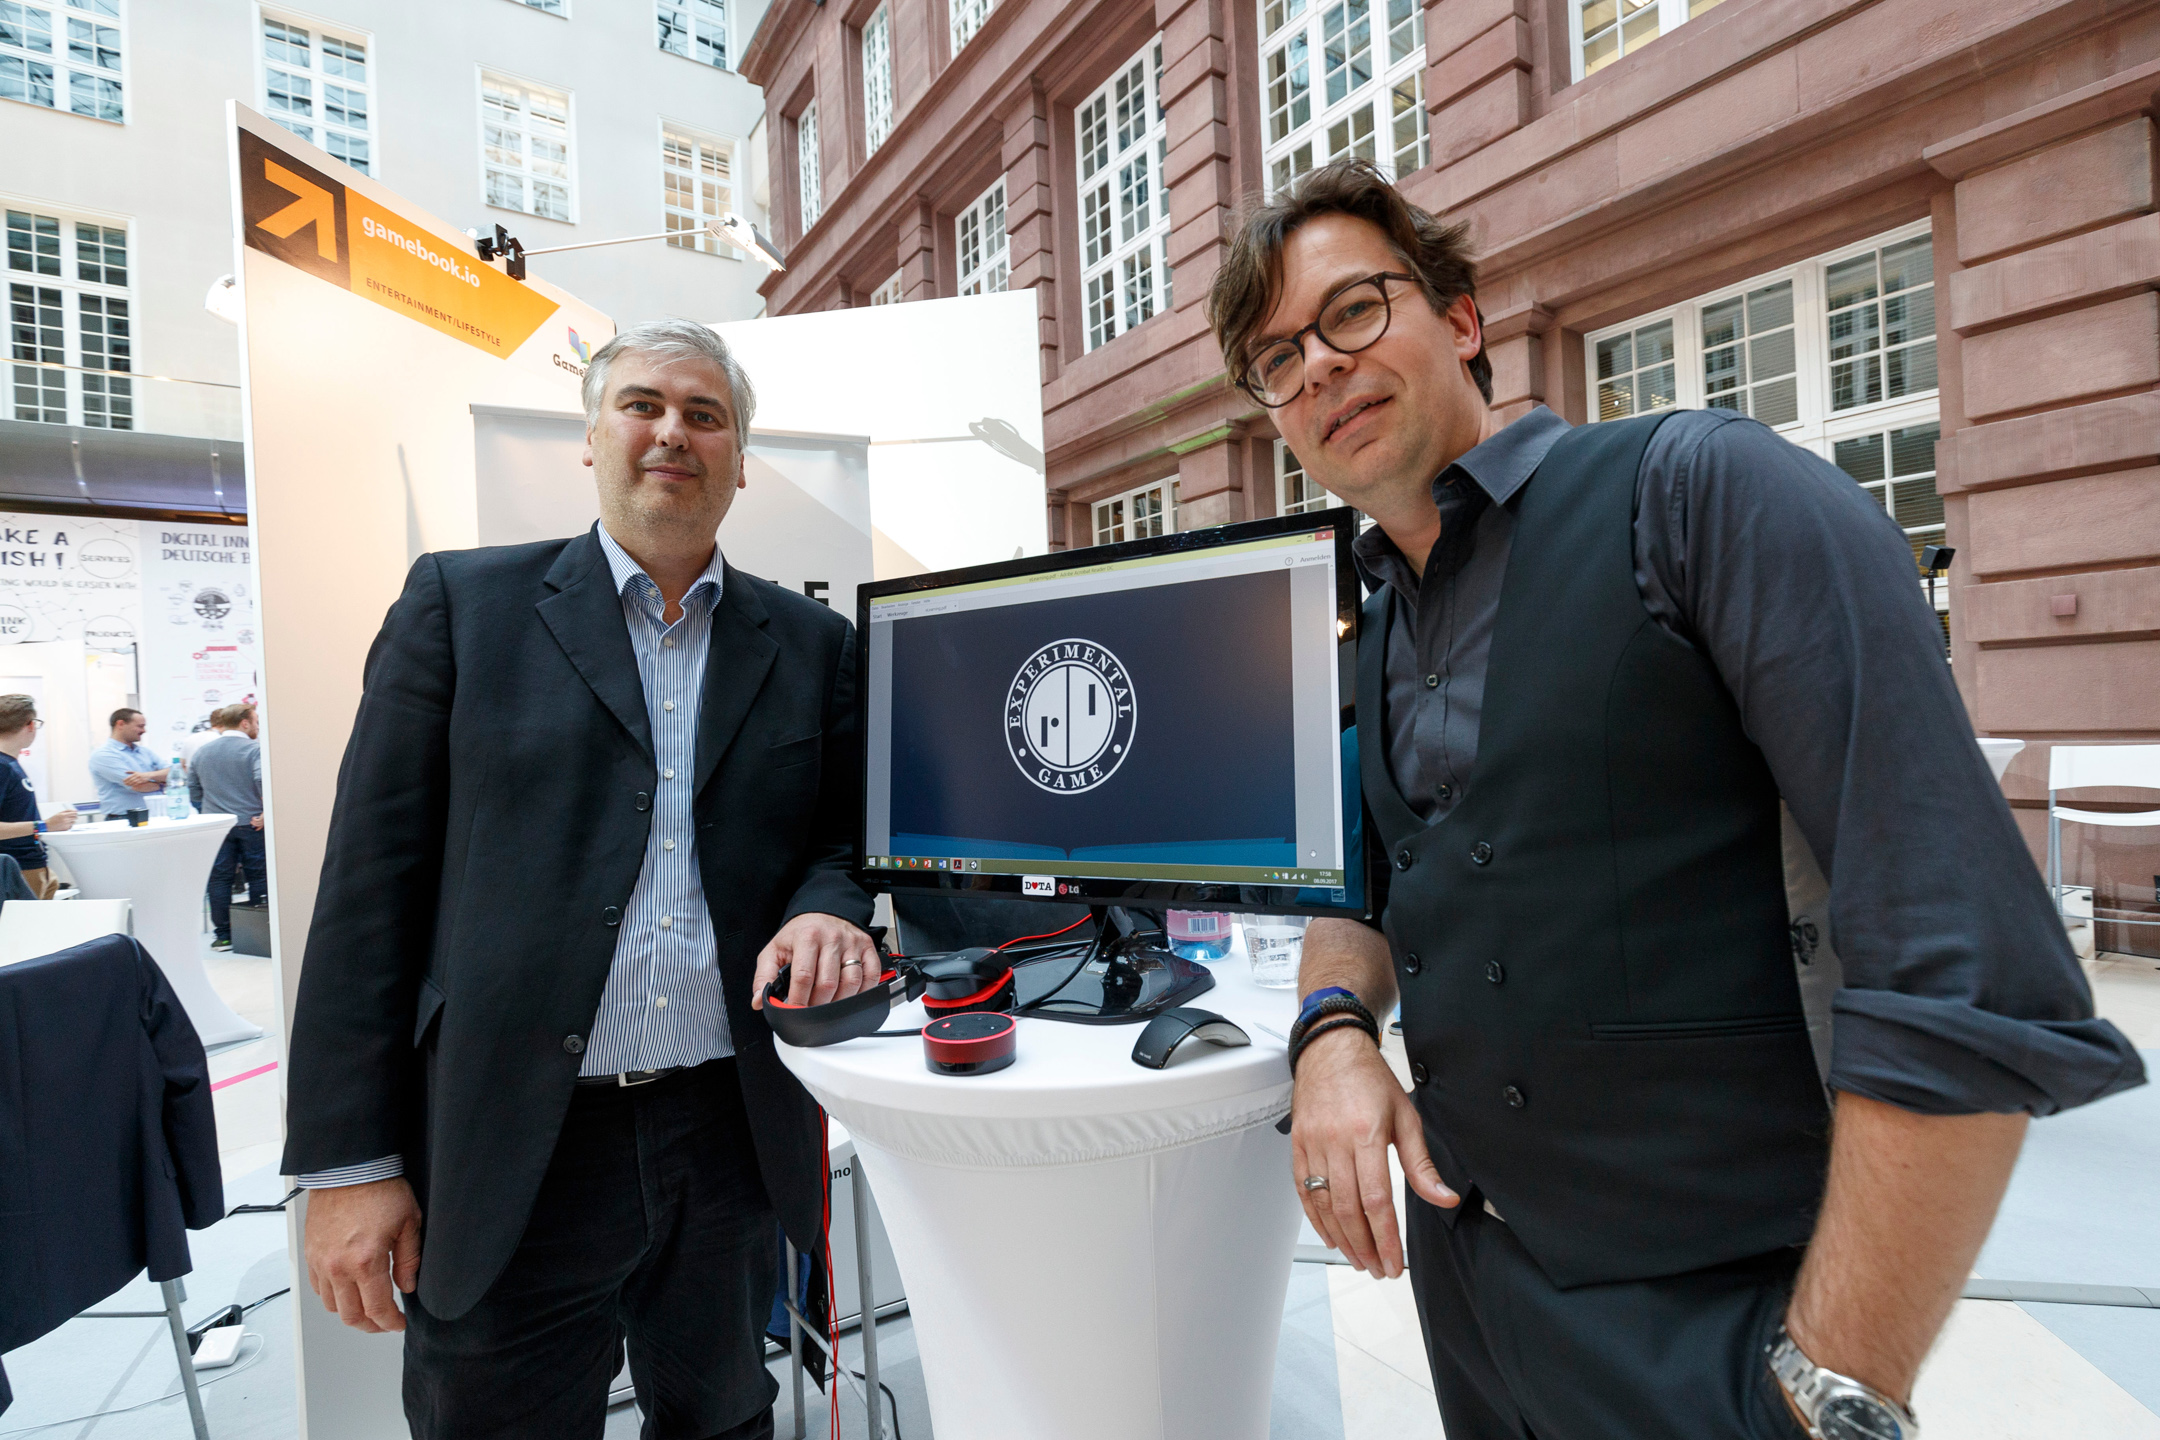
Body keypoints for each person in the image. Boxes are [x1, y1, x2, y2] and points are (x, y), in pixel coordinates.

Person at [1206, 160, 2147, 1440]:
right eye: (1275, 358)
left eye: (1353, 311)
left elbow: (1966, 970)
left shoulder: (1701, 493)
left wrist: (1833, 1386)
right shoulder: (1371, 621)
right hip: (1473, 1295)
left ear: (1464, 318)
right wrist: (1331, 1033)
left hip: (1715, 1321)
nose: (1315, 365)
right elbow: (1376, 880)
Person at [280, 319, 877, 1440]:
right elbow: (368, 894)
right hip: (517, 1142)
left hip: (728, 1134)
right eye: (644, 406)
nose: (673, 435)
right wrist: (347, 1165)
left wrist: (820, 908)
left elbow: (839, 844)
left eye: (706, 416)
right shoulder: (463, 610)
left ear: (741, 458)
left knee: (724, 1419)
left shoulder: (810, 644)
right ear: (593, 435)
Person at [189, 704, 266, 951]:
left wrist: (209, 812)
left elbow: (193, 790)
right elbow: (261, 781)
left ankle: (223, 936)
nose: (257, 727)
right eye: (255, 721)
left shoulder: (202, 752)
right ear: (244, 722)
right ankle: (258, 933)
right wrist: (267, 812)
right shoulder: (254, 749)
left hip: (216, 826)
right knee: (258, 876)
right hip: (251, 823)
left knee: (219, 879)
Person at [0, 695, 74, 897]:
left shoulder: (10, 764)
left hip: (31, 865)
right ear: (30, 725)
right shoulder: (3, 766)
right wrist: (45, 825)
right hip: (15, 869)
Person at [89, 708, 168, 825]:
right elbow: (139, 786)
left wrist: (148, 775)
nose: (144, 731)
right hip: (124, 820)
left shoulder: (145, 752)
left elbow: (174, 773)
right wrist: (162, 783)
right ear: (120, 724)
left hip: (153, 817)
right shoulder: (104, 755)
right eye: (140, 726)